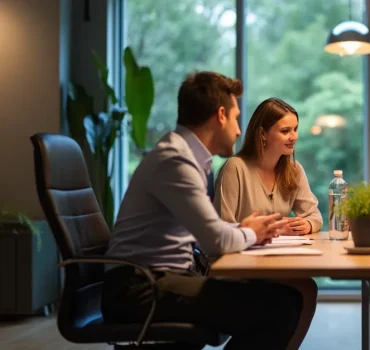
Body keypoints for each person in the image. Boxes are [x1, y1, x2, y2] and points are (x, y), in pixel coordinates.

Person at [102, 71, 306, 350]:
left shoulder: (185, 156)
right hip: (139, 289)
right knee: (280, 307)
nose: (237, 129)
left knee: (283, 300)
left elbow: (208, 230)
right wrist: (249, 232)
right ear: (220, 115)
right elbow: (216, 241)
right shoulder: (176, 161)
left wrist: (244, 230)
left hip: (159, 279)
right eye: (235, 118)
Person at [213, 97, 321, 347]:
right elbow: (221, 228)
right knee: (302, 291)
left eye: (295, 129)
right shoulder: (235, 168)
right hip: (237, 268)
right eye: (285, 131)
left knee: (305, 290)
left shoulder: (293, 170)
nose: (293, 136)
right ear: (262, 133)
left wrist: (306, 225)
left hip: (273, 262)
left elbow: (314, 215)